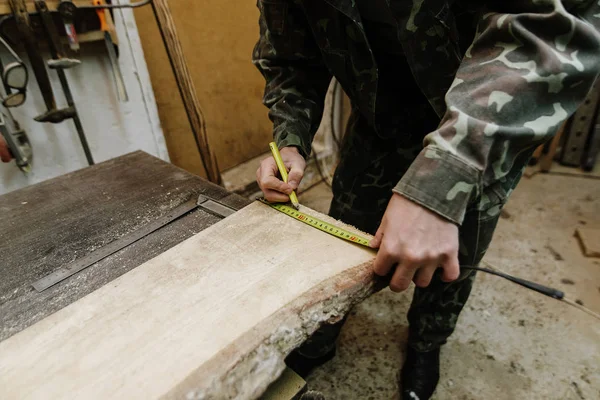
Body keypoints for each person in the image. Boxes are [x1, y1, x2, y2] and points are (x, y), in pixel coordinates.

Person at [253, 1, 600, 398]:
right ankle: (320, 335)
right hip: (378, 124)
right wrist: (290, 140)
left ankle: (426, 342)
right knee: (345, 233)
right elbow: (290, 59)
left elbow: (547, 31)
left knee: (453, 259)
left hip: (480, 131)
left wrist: (443, 177)